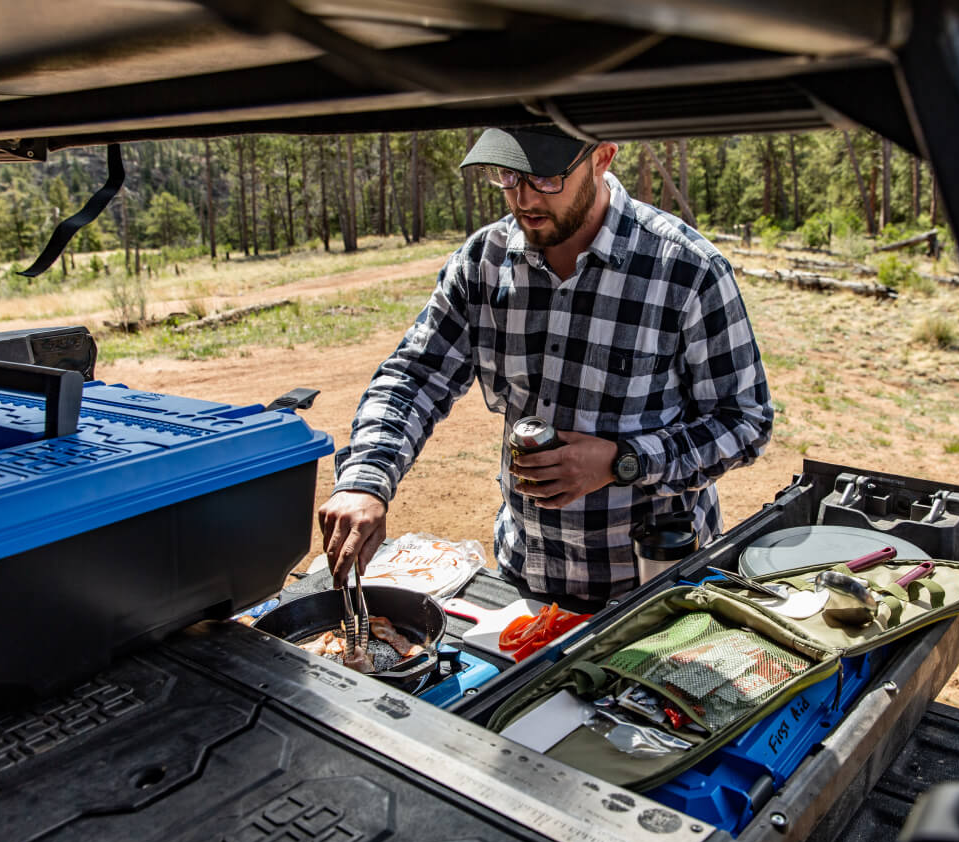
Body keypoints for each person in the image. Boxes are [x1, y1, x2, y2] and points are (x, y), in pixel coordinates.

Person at [318, 125, 773, 607]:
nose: (524, 198)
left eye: (545, 178)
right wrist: (365, 478)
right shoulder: (483, 263)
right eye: (508, 176)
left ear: (602, 158)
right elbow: (414, 378)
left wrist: (623, 461)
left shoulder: (686, 268)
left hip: (654, 587)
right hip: (526, 577)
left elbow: (745, 421)